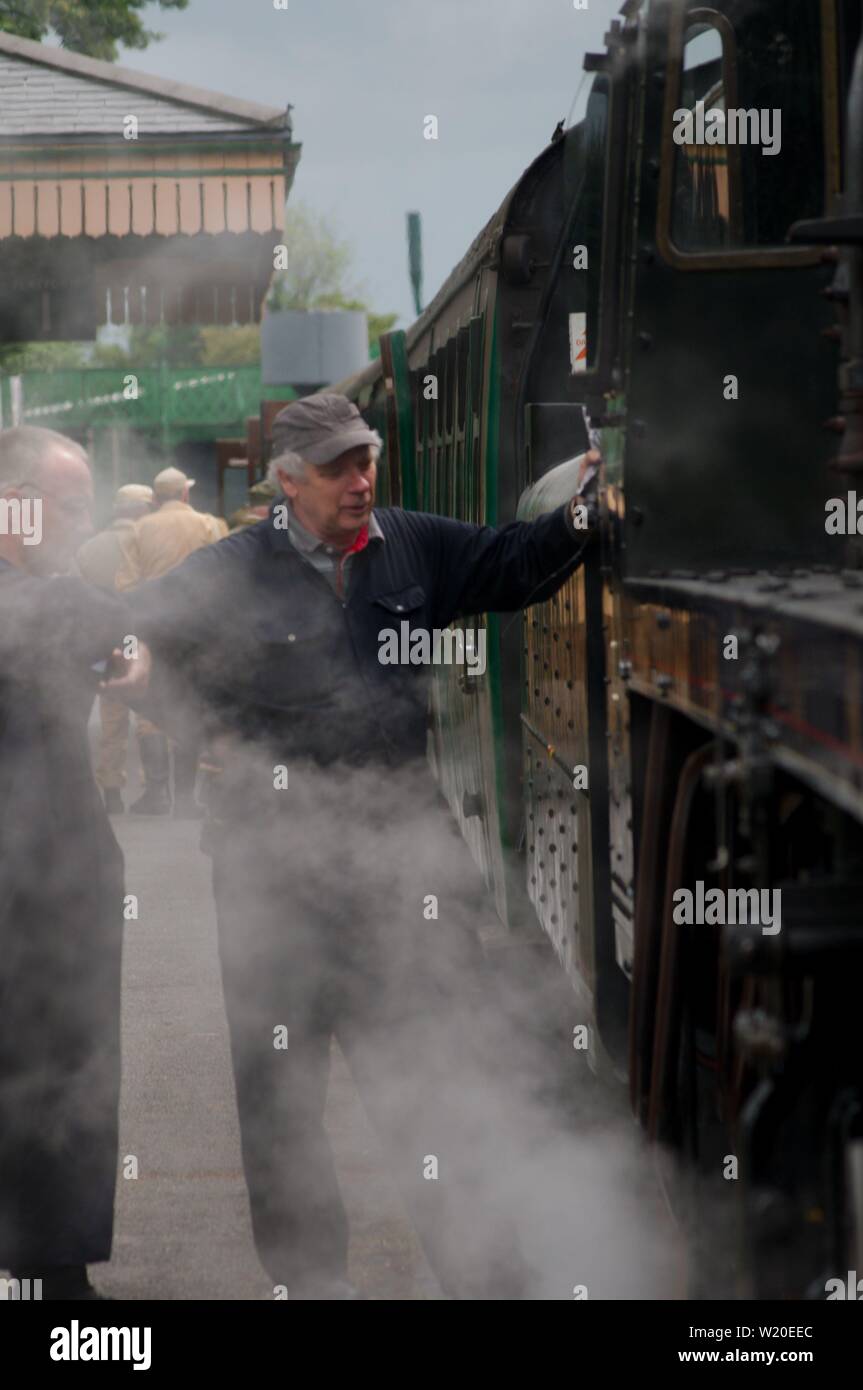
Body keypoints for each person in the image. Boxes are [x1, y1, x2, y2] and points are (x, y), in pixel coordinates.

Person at [128, 392, 599, 1300]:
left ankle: (487, 1274)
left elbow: (512, 563)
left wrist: (583, 509)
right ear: (289, 480)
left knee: (437, 1071)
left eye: (366, 460)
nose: (361, 479)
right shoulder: (227, 569)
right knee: (278, 1088)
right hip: (271, 868)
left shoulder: (409, 542)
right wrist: (181, 721)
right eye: (341, 466)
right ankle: (311, 1283)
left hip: (401, 863)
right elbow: (132, 641)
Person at [0, 426, 148, 1300]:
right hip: (42, 875)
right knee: (57, 1065)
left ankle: (51, 1270)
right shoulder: (50, 605)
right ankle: (48, 1274)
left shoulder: (59, 599)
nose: (84, 521)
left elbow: (126, 638)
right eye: (70, 504)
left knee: (66, 1068)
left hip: (61, 876)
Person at [117, 466, 226, 816]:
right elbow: (227, 579)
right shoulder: (209, 525)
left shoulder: (138, 530)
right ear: (184, 494)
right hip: (200, 629)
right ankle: (186, 797)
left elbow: (126, 585)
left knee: (152, 710)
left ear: (156, 496)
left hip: (152, 626)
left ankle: (157, 792)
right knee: (195, 703)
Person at [76, 483, 154, 814]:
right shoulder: (146, 540)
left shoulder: (88, 548)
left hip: (103, 636)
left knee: (111, 715)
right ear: (142, 509)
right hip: (144, 632)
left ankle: (111, 791)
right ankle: (158, 788)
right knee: (151, 714)